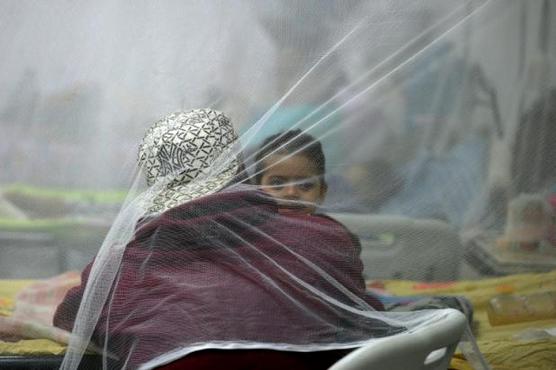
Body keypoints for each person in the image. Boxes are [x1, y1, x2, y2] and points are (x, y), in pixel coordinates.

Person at [53, 109, 394, 370]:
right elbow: (360, 315)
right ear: (238, 170)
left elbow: (75, 318)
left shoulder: (130, 259)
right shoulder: (325, 237)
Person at [252, 129, 327, 214]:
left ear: (322, 192)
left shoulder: (330, 227)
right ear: (257, 189)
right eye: (277, 183)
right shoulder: (241, 224)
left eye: (305, 185)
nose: (291, 193)